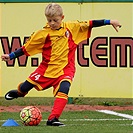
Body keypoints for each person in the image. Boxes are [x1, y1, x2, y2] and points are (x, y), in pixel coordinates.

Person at [1, 3, 121, 126]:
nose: (52, 23)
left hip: (65, 69)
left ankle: (53, 119)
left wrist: (109, 21)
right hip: (46, 69)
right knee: (26, 87)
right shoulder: (42, 34)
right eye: (49, 20)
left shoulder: (71, 27)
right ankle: (20, 93)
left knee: (64, 89)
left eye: (55, 20)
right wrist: (10, 56)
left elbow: (90, 23)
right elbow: (26, 48)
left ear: (62, 17)